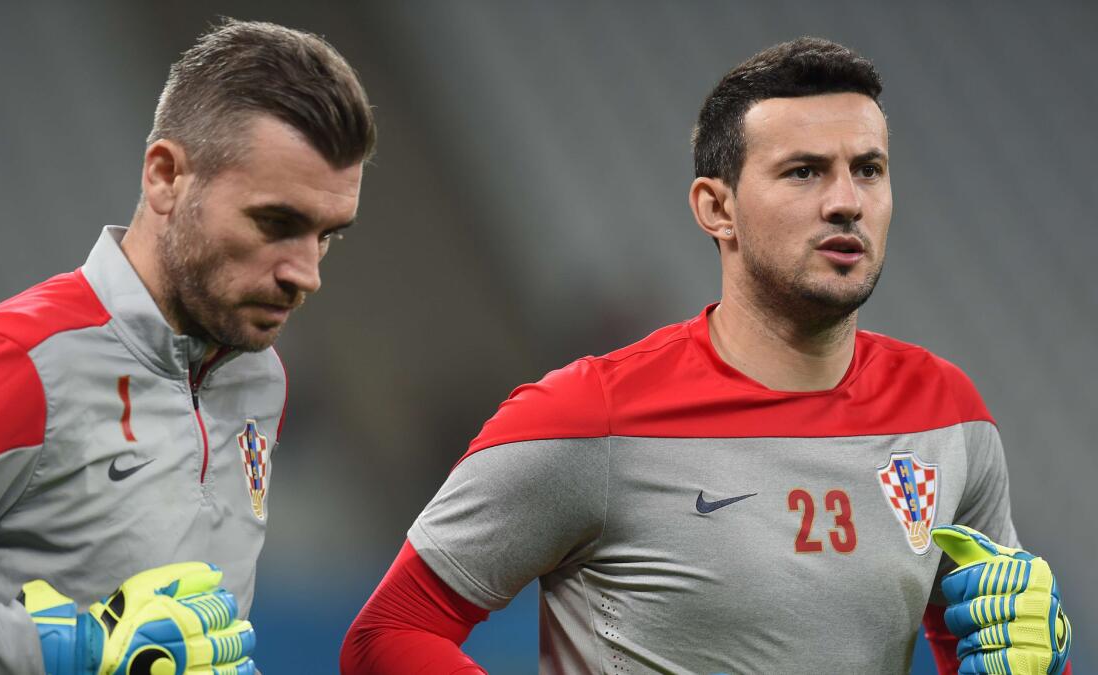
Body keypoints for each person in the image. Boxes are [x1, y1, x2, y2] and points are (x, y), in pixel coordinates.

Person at [341, 38, 1070, 674]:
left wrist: (1040, 659)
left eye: (869, 169)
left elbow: (989, 648)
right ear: (715, 208)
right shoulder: (589, 417)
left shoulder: (948, 414)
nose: (847, 200)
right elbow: (388, 631)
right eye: (804, 171)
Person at [0, 18, 374, 674]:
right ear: (166, 176)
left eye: (327, 234)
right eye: (276, 223)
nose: (306, 273)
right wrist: (72, 651)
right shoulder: (14, 364)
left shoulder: (261, 376)